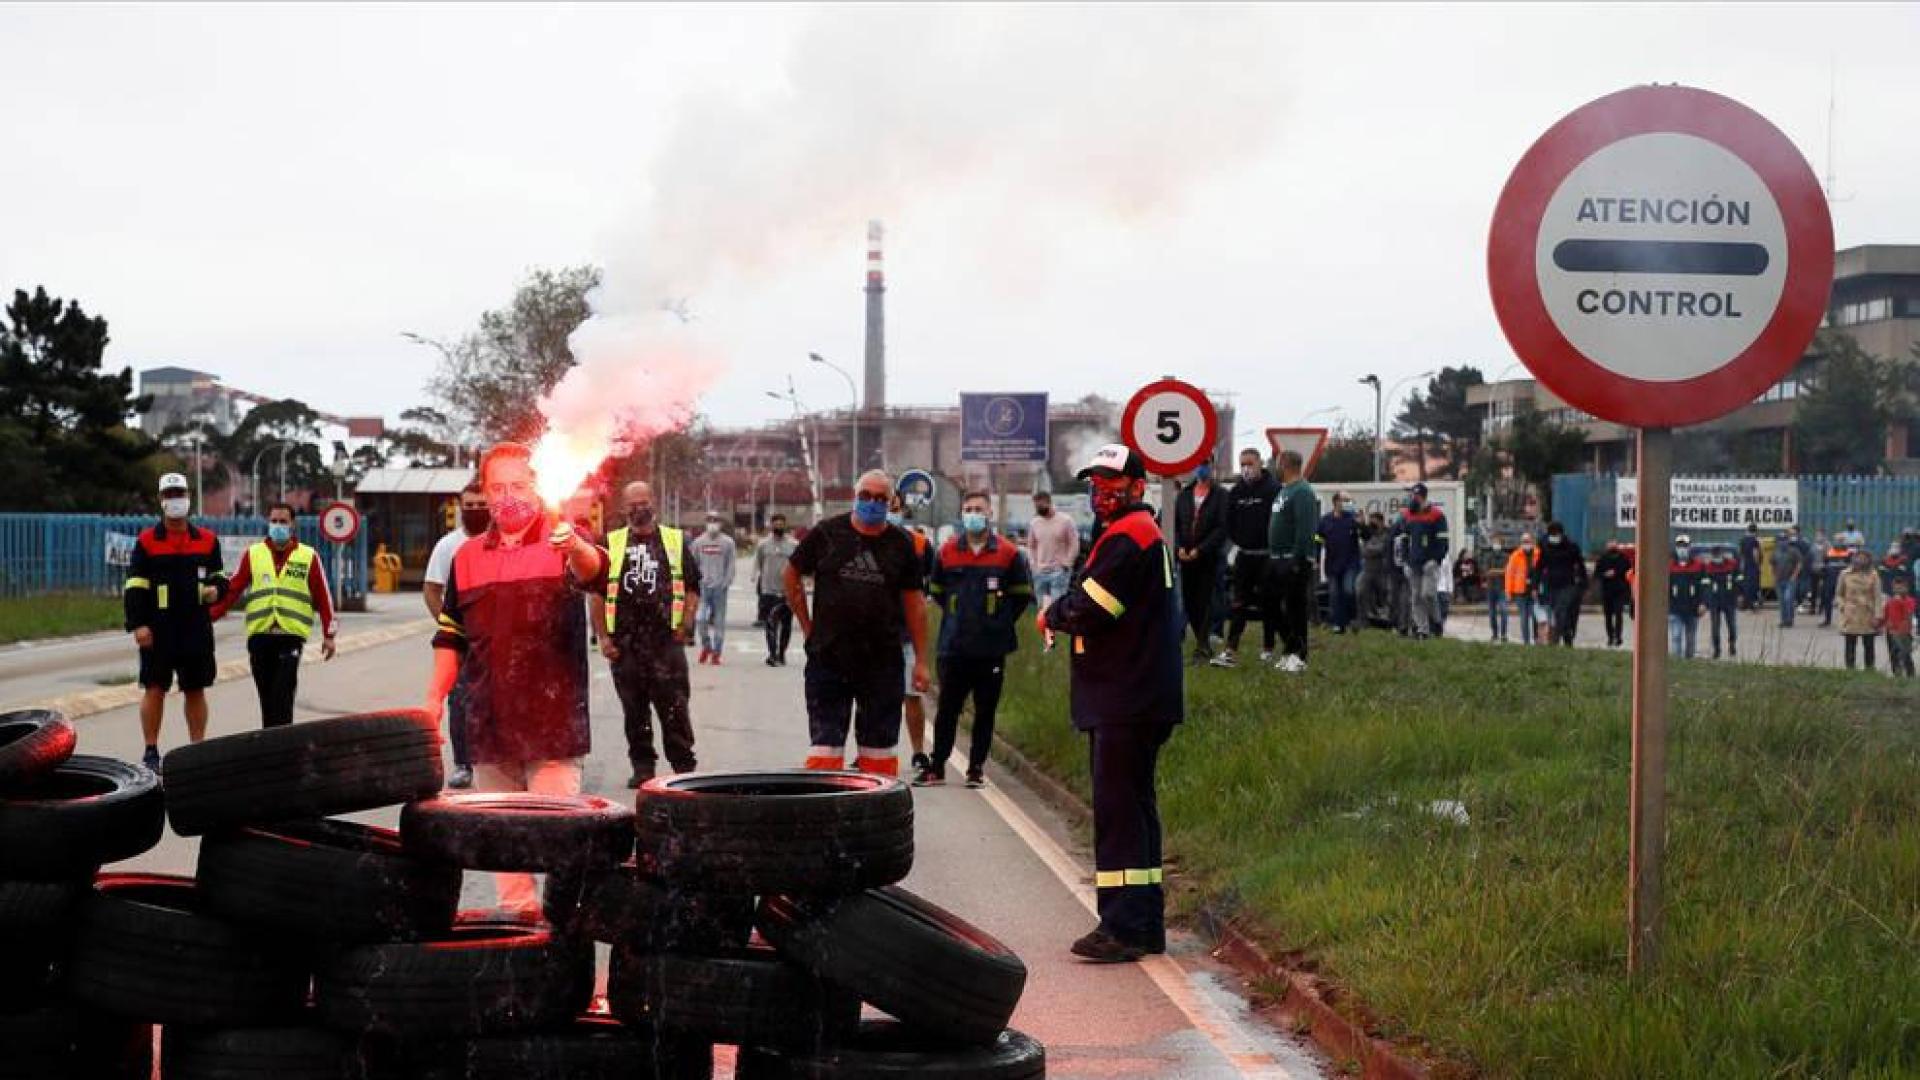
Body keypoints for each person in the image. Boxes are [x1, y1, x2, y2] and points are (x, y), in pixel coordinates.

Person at [422, 442, 607, 921]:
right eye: (498, 487)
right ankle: (519, 934)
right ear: (484, 492)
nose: (508, 497)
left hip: (553, 727)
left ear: (537, 487)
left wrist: (575, 546)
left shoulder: (565, 540)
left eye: (519, 486)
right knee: (505, 852)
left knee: (558, 845)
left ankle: (564, 934)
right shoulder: (466, 557)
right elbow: (451, 636)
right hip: (489, 727)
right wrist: (433, 700)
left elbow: (595, 570)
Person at [1034, 444, 1182, 964]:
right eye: (1095, 484)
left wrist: (1053, 615)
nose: (1102, 493)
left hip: (1124, 695)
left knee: (1119, 815)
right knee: (1136, 811)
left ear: (1138, 487)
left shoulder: (1128, 536)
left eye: (1112, 484)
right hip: (1137, 694)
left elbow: (1094, 607)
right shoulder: (1134, 532)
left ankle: (1121, 928)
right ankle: (1145, 924)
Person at [785, 471, 931, 775]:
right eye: (866, 496)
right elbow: (792, 573)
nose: (872, 503)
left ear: (891, 502)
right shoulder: (827, 533)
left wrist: (921, 661)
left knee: (879, 755)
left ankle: (874, 803)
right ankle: (825, 802)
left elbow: (916, 605)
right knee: (825, 751)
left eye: (880, 498)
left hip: (882, 663)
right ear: (855, 496)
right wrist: (807, 626)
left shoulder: (902, 544)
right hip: (829, 658)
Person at [921, 490, 1033, 789]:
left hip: (991, 649)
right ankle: (937, 766)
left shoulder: (1009, 554)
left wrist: (998, 622)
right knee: (947, 710)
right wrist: (958, 616)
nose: (973, 514)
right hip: (954, 646)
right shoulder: (947, 551)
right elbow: (937, 591)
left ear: (989, 514)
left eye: (978, 509)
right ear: (962, 514)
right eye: (968, 509)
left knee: (985, 712)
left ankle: (975, 768)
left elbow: (1022, 595)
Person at [125, 473, 228, 771]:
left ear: (189, 496)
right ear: (161, 500)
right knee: (154, 688)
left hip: (195, 627)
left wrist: (216, 590)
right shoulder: (146, 542)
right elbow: (135, 586)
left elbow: (220, 577)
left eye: (179, 493)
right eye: (169, 494)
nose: (175, 499)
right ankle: (151, 751)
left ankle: (197, 749)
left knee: (195, 689)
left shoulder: (207, 540)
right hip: (158, 629)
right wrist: (138, 624)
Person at [600, 481, 700, 787]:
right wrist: (603, 637)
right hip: (626, 645)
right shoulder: (611, 543)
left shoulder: (674, 540)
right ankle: (643, 767)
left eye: (643, 502)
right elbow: (596, 594)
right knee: (634, 711)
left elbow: (693, 586)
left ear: (653, 503)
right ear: (623, 507)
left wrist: (686, 624)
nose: (638, 509)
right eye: (632, 504)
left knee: (675, 708)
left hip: (665, 642)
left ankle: (683, 766)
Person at [209, 501, 337, 727]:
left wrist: (329, 634)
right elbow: (233, 590)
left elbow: (323, 596)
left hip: (290, 637)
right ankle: (270, 744)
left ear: (292, 525)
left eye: (283, 521)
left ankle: (283, 744)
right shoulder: (253, 554)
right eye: (274, 521)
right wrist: (207, 618)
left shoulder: (308, 556)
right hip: (260, 637)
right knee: (267, 699)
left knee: (283, 696)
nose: (278, 526)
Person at [422, 478, 488, 788]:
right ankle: (464, 764)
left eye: (481, 505)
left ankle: (491, 759)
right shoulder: (448, 546)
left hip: (495, 640)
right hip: (463, 642)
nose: (475, 510)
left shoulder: (502, 543)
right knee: (460, 701)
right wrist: (450, 628)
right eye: (469, 505)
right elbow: (431, 590)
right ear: (460, 508)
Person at [1212, 448, 1280, 668]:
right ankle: (1231, 649)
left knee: (1269, 603)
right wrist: (1238, 540)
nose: (1246, 469)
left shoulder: (1273, 489)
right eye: (1242, 464)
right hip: (1244, 555)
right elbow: (1229, 521)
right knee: (1238, 603)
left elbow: (1279, 521)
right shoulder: (1237, 491)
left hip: (1267, 555)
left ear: (1260, 463)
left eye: (1250, 463)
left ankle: (1268, 648)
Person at [888, 491, 937, 775]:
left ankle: (918, 752)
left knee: (912, 696)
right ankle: (868, 750)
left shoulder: (919, 544)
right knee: (873, 698)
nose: (888, 510)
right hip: (874, 634)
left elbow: (932, 581)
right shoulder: (866, 540)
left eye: (894, 507)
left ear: (902, 511)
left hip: (907, 633)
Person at [1265, 450, 1319, 672]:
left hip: (1293, 559)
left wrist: (1298, 558)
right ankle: (1290, 646)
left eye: (1277, 464)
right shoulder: (1284, 490)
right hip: (1276, 558)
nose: (1275, 468)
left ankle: (1299, 654)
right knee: (1271, 604)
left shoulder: (1302, 491)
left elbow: (1305, 528)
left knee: (1295, 608)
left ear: (1285, 465)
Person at [1172, 461, 1227, 663]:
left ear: (1212, 466)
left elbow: (1222, 527)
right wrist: (1179, 547)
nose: (1202, 469)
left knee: (1206, 601)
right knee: (1190, 601)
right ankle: (1201, 640)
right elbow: (1176, 524)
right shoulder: (1185, 495)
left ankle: (1203, 646)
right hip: (1186, 557)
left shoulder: (1220, 495)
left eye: (1205, 464)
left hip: (1209, 558)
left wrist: (1201, 549)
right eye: (1199, 464)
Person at [1392, 483, 1449, 639]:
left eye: (1414, 496)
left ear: (1422, 497)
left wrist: (1436, 559)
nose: (1411, 499)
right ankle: (1422, 629)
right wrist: (1405, 561)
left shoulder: (1437, 515)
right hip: (1413, 563)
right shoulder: (1408, 516)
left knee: (1428, 594)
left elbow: (1443, 542)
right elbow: (1404, 540)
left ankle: (1436, 621)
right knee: (1416, 597)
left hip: (1430, 562)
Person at [1026, 491, 1081, 629]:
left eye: (1041, 505)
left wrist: (1067, 563)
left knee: (1057, 604)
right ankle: (1045, 629)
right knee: (1041, 606)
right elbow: (1031, 546)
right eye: (1036, 506)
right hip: (1039, 571)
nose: (1038, 508)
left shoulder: (1066, 521)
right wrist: (1033, 564)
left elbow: (1074, 543)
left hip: (1059, 571)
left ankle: (1056, 629)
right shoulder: (1034, 523)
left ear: (1049, 502)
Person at [689, 512, 735, 665]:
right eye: (710, 520)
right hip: (703, 587)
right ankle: (706, 645)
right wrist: (693, 583)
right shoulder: (698, 542)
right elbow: (693, 564)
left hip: (720, 588)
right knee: (700, 618)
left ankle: (717, 651)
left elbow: (731, 564)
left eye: (716, 520)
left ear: (721, 523)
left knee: (719, 621)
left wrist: (727, 581)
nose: (713, 523)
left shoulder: (728, 542)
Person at [1533, 521, 1586, 648]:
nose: (1553, 537)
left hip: (1567, 584)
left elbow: (1580, 565)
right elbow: (1539, 567)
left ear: (1561, 534)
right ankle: (1563, 636)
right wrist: (1535, 585)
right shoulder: (1544, 547)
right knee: (1556, 613)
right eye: (1551, 534)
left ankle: (1562, 638)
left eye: (1555, 534)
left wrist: (1583, 582)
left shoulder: (1571, 547)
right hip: (1550, 584)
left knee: (1561, 611)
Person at [754, 513, 798, 666]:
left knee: (786, 624)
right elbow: (760, 563)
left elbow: (798, 566)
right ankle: (772, 654)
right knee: (770, 623)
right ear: (771, 525)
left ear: (785, 525)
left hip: (787, 591)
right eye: (776, 524)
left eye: (781, 524)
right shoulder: (763, 545)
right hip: (769, 590)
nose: (778, 527)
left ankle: (782, 653)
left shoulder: (793, 545)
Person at [1317, 491, 1363, 634]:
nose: (1348, 503)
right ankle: (1338, 624)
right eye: (1345, 500)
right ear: (1336, 502)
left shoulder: (1352, 519)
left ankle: (1352, 618)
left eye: (1349, 501)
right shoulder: (1325, 520)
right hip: (1332, 564)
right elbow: (1317, 538)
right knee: (1334, 594)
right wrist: (1317, 556)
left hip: (1350, 563)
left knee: (1348, 590)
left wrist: (1362, 524)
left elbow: (1366, 535)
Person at [1836, 549, 1884, 671]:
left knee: (1869, 644)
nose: (1861, 561)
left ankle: (1869, 669)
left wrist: (1878, 615)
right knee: (1850, 643)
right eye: (1859, 557)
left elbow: (1878, 597)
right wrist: (1842, 606)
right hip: (1850, 614)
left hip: (1868, 614)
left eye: (1864, 558)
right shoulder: (1845, 574)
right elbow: (1839, 594)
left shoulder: (1873, 575)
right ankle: (1850, 669)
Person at [1668, 536, 1707, 660]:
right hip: (1675, 608)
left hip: (1693, 608)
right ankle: (1676, 660)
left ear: (1689, 547)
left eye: (1685, 546)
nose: (1682, 549)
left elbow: (1704, 586)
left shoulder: (1699, 565)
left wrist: (1703, 603)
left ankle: (1689, 659)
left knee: (1690, 638)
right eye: (1679, 546)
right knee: (1676, 635)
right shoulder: (1669, 566)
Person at [1357, 511, 1394, 630]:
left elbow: (1381, 549)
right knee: (1360, 591)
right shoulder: (1368, 533)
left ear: (1381, 522)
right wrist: (1368, 549)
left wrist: (1367, 549)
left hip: (1382, 570)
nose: (1372, 525)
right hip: (1368, 569)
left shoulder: (1387, 534)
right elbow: (1362, 550)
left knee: (1384, 596)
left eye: (1374, 522)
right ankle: (1363, 620)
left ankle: (1387, 622)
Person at [1704, 542, 1741, 660]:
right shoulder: (1708, 567)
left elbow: (1739, 579)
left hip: (1729, 599)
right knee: (1715, 626)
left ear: (1722, 554)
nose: (1716, 557)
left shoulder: (1732, 564)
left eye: (1718, 554)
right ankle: (1717, 649)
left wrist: (1740, 595)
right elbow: (1705, 586)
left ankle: (1732, 644)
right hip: (1714, 601)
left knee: (1732, 625)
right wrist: (1705, 602)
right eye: (1714, 554)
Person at [1594, 539, 1633, 647]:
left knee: (1618, 614)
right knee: (1608, 616)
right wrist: (1604, 574)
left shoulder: (1623, 558)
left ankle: (1618, 636)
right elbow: (1597, 574)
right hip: (1607, 591)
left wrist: (1618, 574)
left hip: (1619, 591)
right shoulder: (1602, 559)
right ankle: (1610, 637)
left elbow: (1629, 572)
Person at [1883, 575, 1916, 679]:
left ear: (1906, 588)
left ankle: (1910, 674)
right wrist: (1882, 624)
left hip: (1903, 632)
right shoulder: (1890, 601)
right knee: (1893, 654)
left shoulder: (1909, 601)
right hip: (1891, 631)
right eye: (1896, 588)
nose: (1898, 591)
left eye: (1901, 588)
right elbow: (1885, 614)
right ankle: (1897, 674)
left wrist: (1899, 601)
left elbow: (1908, 613)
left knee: (1905, 654)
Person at [1772, 528, 1805, 627]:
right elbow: (1773, 565)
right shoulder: (1775, 552)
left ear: (1787, 541)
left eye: (1784, 540)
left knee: (1788, 599)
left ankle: (1790, 619)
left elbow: (1799, 563)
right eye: (1780, 540)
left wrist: (1794, 575)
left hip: (1790, 580)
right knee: (1782, 602)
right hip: (1779, 580)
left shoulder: (1793, 551)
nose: (1782, 542)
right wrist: (1774, 577)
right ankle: (1784, 620)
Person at [1484, 541, 1510, 642]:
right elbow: (1487, 571)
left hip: (1503, 588)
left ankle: (1503, 634)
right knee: (1492, 613)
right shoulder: (1488, 556)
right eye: (1495, 542)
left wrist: (1493, 571)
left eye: (1498, 543)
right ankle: (1494, 633)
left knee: (1504, 610)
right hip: (1491, 588)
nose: (1496, 545)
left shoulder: (1506, 556)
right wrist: (1500, 571)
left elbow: (1507, 571)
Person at [1737, 523, 1763, 610]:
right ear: (1756, 531)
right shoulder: (1754, 541)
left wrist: (1741, 565)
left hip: (1745, 566)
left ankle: (1745, 604)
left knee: (1745, 584)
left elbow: (1740, 554)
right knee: (1753, 585)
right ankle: (1752, 603)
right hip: (1752, 566)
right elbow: (1755, 553)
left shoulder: (1742, 540)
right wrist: (1757, 565)